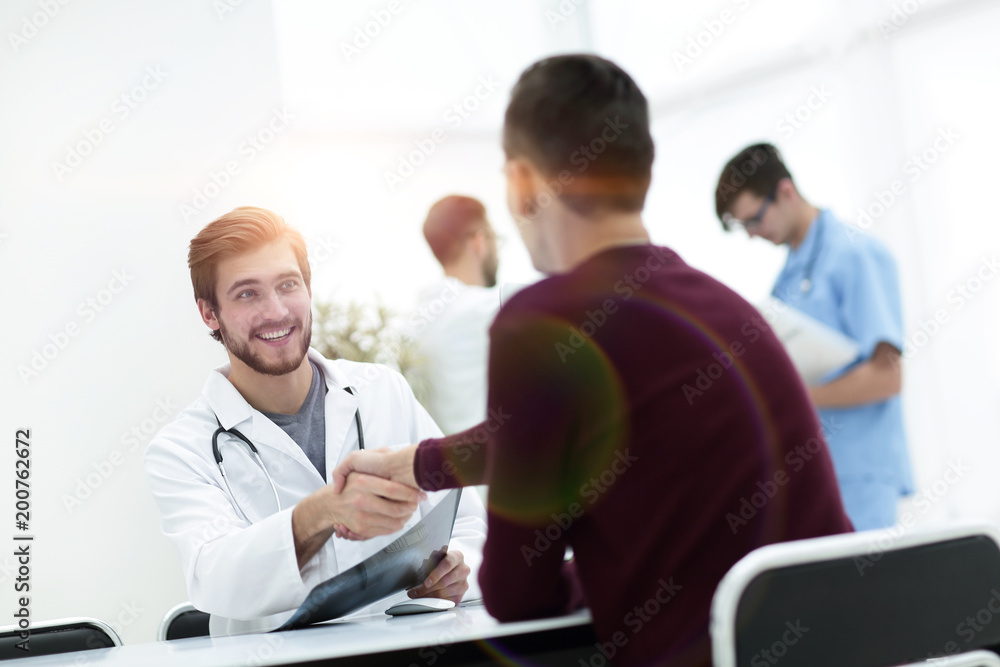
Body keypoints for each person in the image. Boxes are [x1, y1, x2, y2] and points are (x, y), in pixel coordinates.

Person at [333, 55, 853, 666]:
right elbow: (562, 429)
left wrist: (608, 575)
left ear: (523, 184)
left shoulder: (540, 321)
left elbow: (518, 595)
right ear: (644, 170)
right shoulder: (727, 310)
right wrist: (417, 465)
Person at [144, 206, 486, 636]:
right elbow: (213, 578)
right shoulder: (181, 449)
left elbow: (470, 522)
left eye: (288, 285)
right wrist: (318, 514)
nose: (276, 311)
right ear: (209, 314)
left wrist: (458, 564)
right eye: (247, 294)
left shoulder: (383, 391)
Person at [714, 143, 913, 531]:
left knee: (863, 587)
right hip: (815, 476)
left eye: (754, 219)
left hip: (861, 475)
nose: (754, 235)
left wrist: (798, 396)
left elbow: (888, 376)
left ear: (786, 191)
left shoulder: (854, 254)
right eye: (744, 228)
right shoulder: (784, 282)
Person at [414, 195, 502, 435]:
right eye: (496, 239)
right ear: (479, 242)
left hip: (432, 464)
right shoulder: (492, 308)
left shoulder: (412, 322)